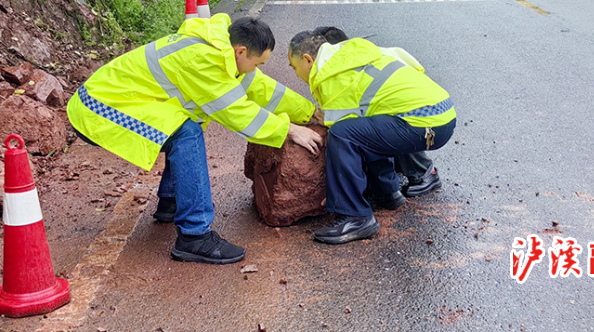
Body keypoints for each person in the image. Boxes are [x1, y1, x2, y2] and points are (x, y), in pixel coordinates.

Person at [68, 14, 323, 264]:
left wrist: (309, 112)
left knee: (184, 124)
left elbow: (262, 88)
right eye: (258, 64)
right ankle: (194, 235)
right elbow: (237, 114)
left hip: (121, 99)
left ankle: (172, 201)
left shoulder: (222, 51)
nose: (256, 70)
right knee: (186, 131)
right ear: (241, 52)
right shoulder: (204, 61)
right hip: (99, 108)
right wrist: (288, 129)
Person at [288, 30, 456, 244]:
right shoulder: (354, 53)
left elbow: (339, 129)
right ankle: (390, 191)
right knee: (370, 122)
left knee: (343, 134)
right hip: (444, 113)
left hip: (424, 123)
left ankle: (354, 216)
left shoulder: (329, 74)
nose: (295, 74)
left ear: (307, 60)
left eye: (294, 67)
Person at [312, 27, 443, 199]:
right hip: (433, 109)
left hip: (420, 115)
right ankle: (397, 177)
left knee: (366, 128)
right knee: (381, 122)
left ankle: (422, 173)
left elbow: (349, 124)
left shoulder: (351, 73)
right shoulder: (369, 55)